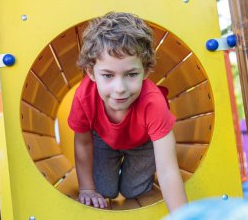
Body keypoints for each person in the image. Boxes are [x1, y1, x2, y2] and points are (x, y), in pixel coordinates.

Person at [68, 12, 187, 212]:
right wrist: (87, 188)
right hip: (103, 140)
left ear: (146, 71)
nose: (120, 88)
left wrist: (185, 217)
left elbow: (167, 170)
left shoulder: (153, 102)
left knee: (134, 191)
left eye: (131, 74)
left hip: (143, 144)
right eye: (107, 75)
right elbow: (83, 141)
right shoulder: (84, 97)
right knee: (104, 190)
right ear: (91, 73)